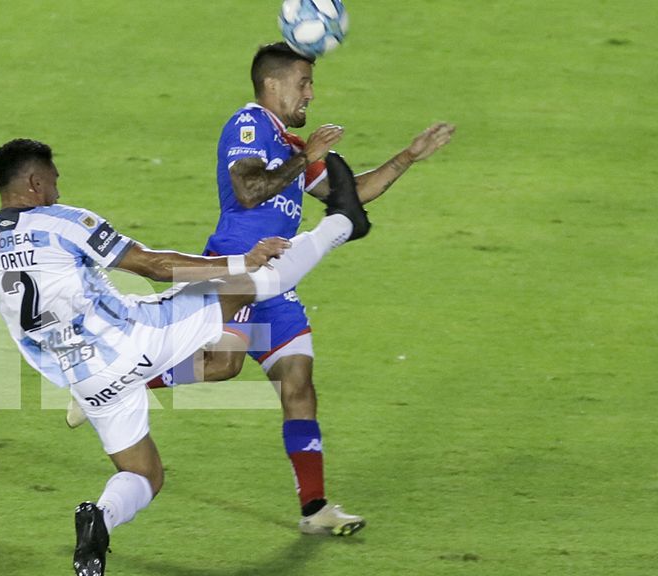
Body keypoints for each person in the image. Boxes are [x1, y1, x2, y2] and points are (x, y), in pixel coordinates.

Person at [0, 138, 370, 576]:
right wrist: (242, 260)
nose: (59, 191)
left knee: (145, 474)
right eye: (55, 182)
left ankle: (101, 520)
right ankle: (344, 221)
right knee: (250, 283)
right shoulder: (63, 221)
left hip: (83, 378)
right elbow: (152, 265)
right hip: (135, 339)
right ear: (35, 182)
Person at [72, 42, 455, 537]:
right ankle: (111, 383)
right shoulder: (248, 125)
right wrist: (306, 158)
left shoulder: (291, 147)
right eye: (303, 83)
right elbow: (248, 189)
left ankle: (314, 509)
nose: (310, 95)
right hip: (234, 275)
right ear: (272, 85)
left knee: (298, 383)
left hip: (277, 282)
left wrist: (408, 157)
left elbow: (350, 197)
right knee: (224, 365)